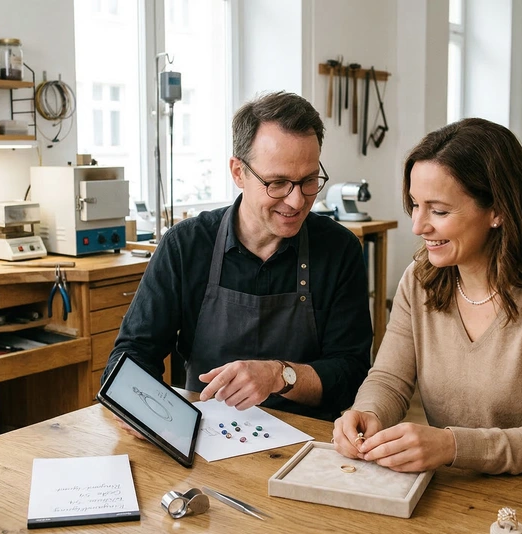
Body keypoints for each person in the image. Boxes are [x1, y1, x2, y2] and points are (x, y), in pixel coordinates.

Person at [333, 118, 522, 478]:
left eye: (439, 211)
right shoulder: (419, 281)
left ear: (498, 211)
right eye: (414, 204)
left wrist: (451, 446)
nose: (418, 225)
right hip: (458, 494)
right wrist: (367, 413)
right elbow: (389, 379)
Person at [104, 91, 373, 421]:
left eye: (309, 181)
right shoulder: (186, 245)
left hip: (307, 440)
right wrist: (144, 412)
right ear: (238, 172)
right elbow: (132, 354)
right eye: (277, 183)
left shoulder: (339, 249)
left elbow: (351, 374)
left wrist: (279, 376)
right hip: (206, 434)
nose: (296, 201)